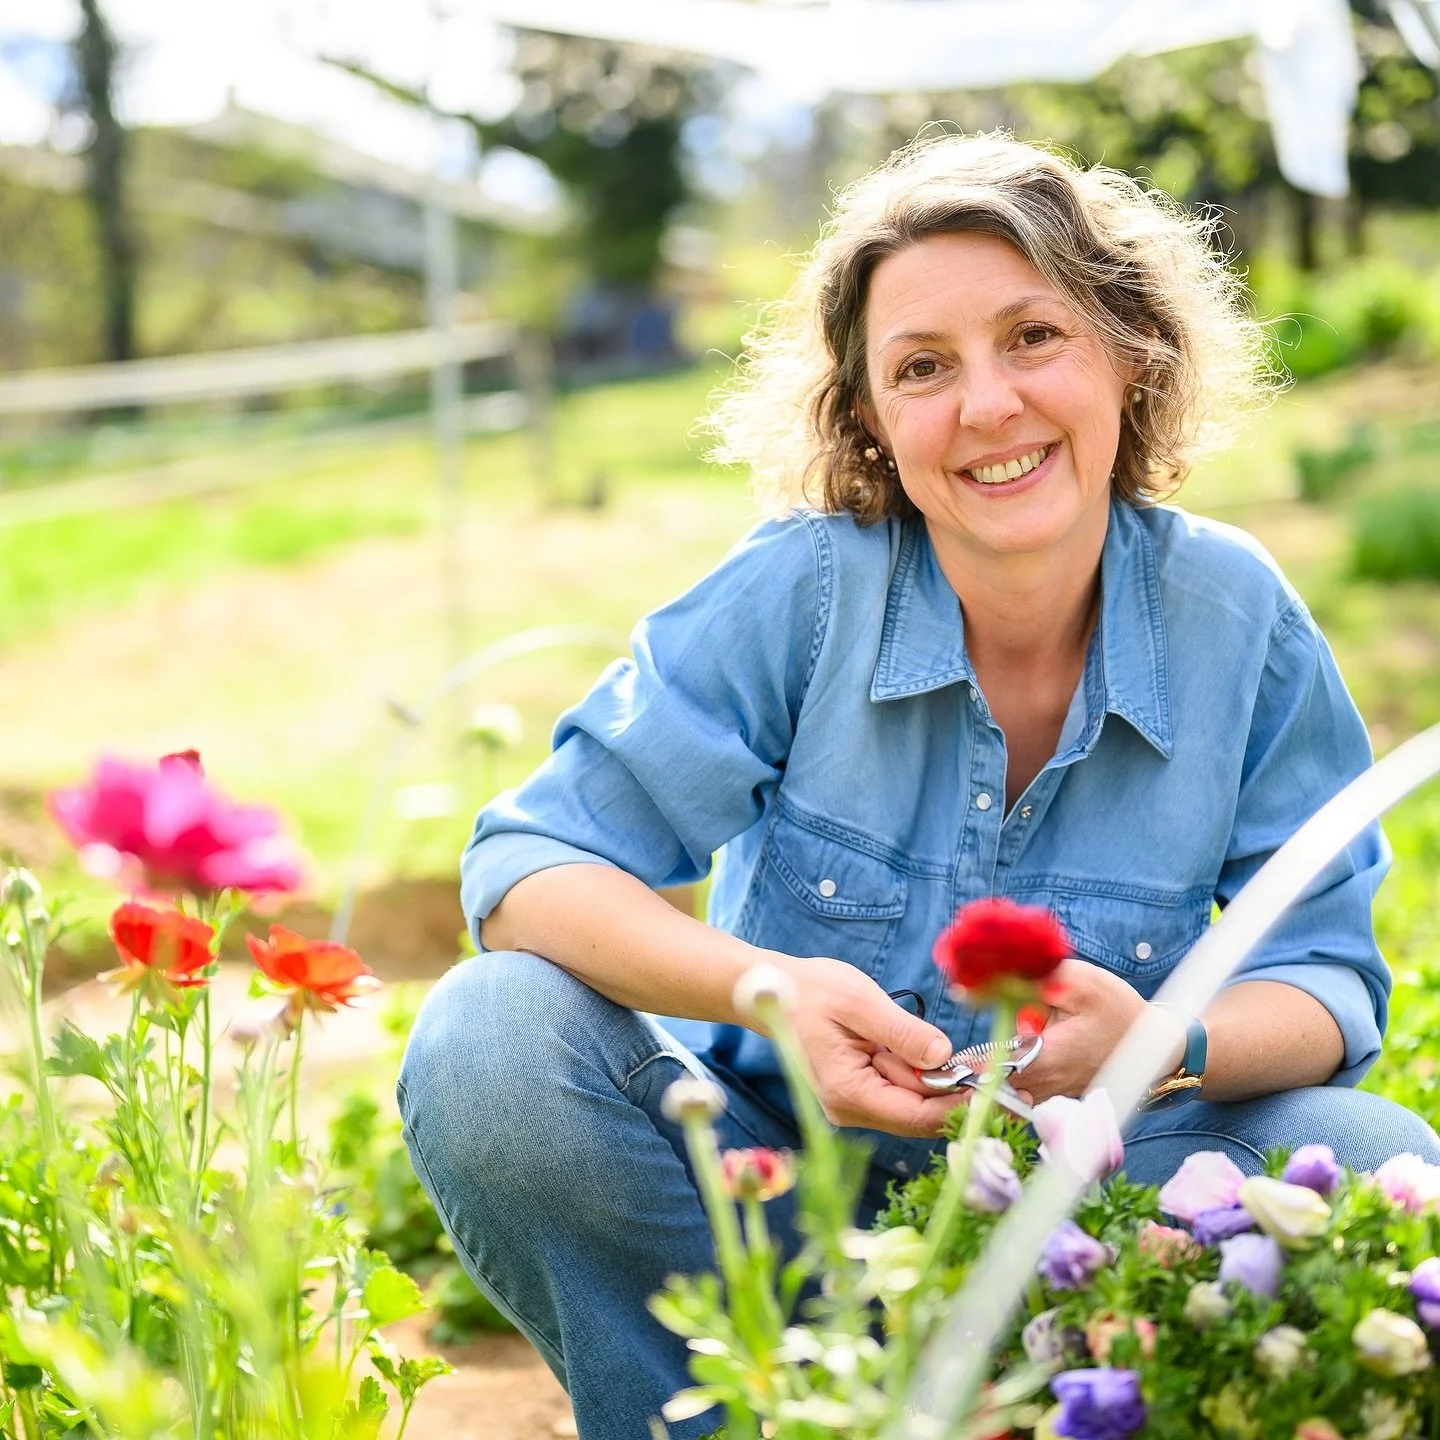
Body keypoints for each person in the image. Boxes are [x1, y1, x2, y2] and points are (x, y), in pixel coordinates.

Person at [397, 134, 1440, 1438]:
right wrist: (764, 990)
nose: (989, 405)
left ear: (1131, 354)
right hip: (777, 1209)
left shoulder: (1241, 624)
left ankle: (1093, 1397)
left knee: (1377, 1158)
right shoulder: (801, 594)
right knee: (490, 1037)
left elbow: (1329, 977)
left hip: (1093, 1218)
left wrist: (1161, 1051)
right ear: (872, 424)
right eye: (924, 369)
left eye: (1033, 336)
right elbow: (527, 871)